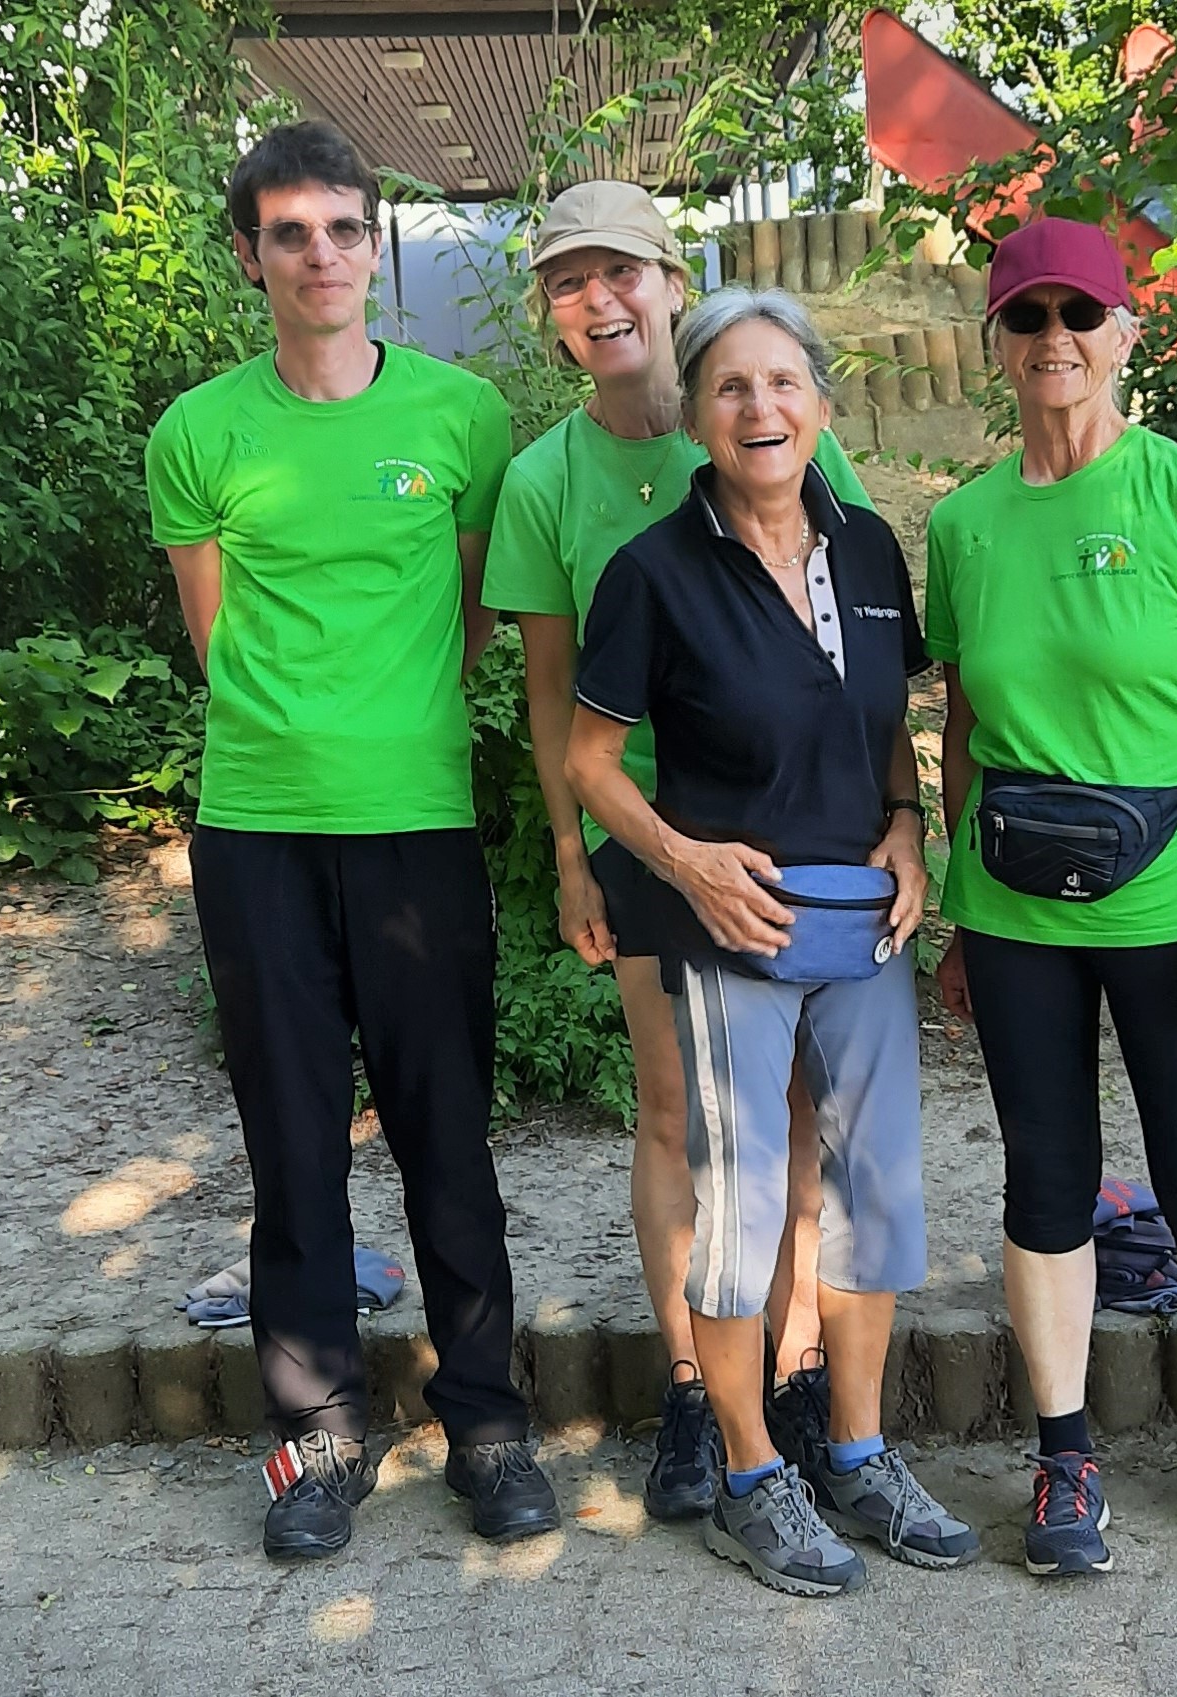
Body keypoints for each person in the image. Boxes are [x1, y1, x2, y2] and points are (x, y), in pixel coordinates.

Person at [144, 121, 557, 1560]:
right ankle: (317, 1433)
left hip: (418, 831)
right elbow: (213, 641)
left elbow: (469, 618)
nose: (321, 255)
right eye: (290, 233)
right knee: (293, 1142)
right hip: (257, 830)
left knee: (449, 1133)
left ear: (371, 244)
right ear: (250, 254)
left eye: (341, 228)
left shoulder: (459, 417)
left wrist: (385, 730)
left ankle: (489, 1420)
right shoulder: (198, 432)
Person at [564, 286, 978, 1595]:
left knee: (871, 1201)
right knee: (742, 1213)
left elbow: (880, 735)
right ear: (693, 414)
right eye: (731, 387)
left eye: (783, 382)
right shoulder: (652, 574)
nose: (761, 408)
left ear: (819, 403)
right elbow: (589, 760)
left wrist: (910, 826)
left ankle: (855, 1449)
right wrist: (681, 859)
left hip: (863, 921)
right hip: (726, 926)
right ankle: (750, 1469)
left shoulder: (864, 552)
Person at [482, 183, 873, 1518]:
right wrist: (574, 852)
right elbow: (550, 697)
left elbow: (860, 643)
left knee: (796, 1113)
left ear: (668, 281)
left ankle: (797, 1358)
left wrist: (896, 818)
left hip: (798, 836)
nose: (599, 301)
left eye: (621, 274)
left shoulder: (785, 427)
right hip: (649, 838)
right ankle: (699, 1391)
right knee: (675, 1114)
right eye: (568, 282)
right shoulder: (545, 481)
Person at [928, 217, 1177, 1574]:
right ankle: (1062, 1457)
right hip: (1017, 907)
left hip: (1175, 903)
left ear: (1125, 333)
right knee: (1047, 1178)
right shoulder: (966, 522)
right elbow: (965, 725)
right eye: (1025, 318)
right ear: (998, 342)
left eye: (1078, 315)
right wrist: (956, 909)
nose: (1053, 341)